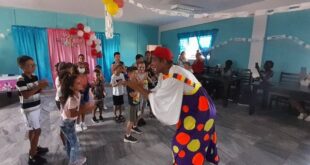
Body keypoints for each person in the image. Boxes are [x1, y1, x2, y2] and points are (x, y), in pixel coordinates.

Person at [126, 47, 219, 165]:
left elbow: (156, 98)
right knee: (190, 141)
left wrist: (133, 85)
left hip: (201, 110)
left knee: (184, 143)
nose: (151, 64)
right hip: (192, 109)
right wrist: (137, 86)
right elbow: (157, 91)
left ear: (164, 61)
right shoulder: (165, 73)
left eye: (154, 60)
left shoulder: (175, 75)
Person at [16, 55, 49, 165]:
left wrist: (41, 87)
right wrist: (39, 86)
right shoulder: (20, 80)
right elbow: (26, 95)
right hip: (29, 109)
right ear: (22, 67)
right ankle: (32, 156)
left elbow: (36, 91)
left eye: (34, 64)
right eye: (30, 65)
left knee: (32, 130)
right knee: (37, 131)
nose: (34, 67)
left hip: (36, 107)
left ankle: (35, 148)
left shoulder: (34, 76)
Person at [60, 73, 95, 165]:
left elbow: (77, 109)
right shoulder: (72, 99)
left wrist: (85, 106)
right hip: (67, 123)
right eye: (78, 83)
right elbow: (72, 113)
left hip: (68, 122)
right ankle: (74, 162)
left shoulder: (77, 93)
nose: (81, 84)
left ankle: (72, 158)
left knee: (69, 143)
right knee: (75, 145)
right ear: (71, 87)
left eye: (81, 82)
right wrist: (87, 109)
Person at [124, 66, 143, 143]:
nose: (136, 74)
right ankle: (127, 136)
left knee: (136, 117)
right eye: (134, 73)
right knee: (131, 121)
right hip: (132, 104)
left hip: (137, 102)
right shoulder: (129, 83)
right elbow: (132, 95)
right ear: (129, 74)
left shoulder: (135, 81)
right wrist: (139, 89)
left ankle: (134, 127)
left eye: (137, 73)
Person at [76, 61, 90, 132]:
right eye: (80, 67)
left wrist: (88, 86)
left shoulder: (85, 75)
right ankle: (77, 124)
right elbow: (75, 86)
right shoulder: (75, 76)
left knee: (83, 108)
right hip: (78, 95)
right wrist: (80, 91)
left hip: (85, 94)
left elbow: (87, 84)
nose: (82, 68)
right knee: (78, 109)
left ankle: (83, 122)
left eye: (83, 67)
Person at [136, 62, 149, 126]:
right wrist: (145, 76)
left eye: (143, 67)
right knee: (139, 107)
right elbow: (140, 83)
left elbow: (147, 83)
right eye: (140, 67)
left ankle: (141, 118)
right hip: (139, 93)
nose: (141, 68)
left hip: (145, 92)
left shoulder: (146, 74)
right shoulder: (136, 74)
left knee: (143, 106)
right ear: (137, 67)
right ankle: (138, 119)